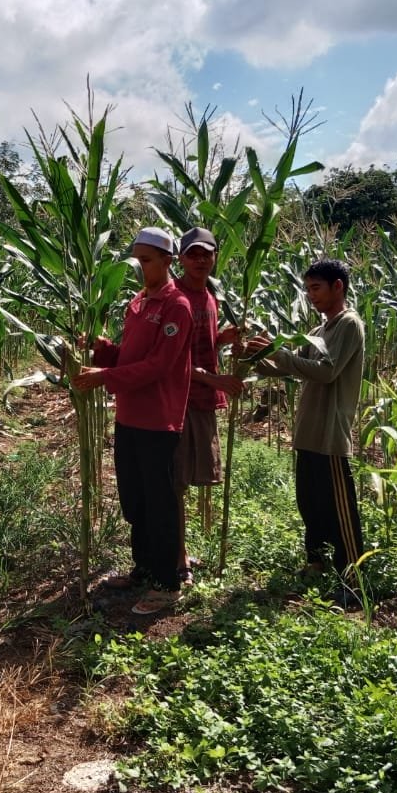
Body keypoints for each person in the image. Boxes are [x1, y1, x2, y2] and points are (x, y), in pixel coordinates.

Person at [73, 227, 193, 615]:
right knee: (135, 498)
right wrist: (103, 350)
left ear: (167, 261)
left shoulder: (177, 307)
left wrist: (103, 377)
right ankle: (143, 568)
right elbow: (131, 355)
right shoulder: (140, 301)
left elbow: (160, 365)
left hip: (159, 420)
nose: (139, 268)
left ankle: (167, 582)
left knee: (159, 501)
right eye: (137, 260)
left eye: (146, 261)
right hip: (129, 416)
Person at [245, 258, 365, 607]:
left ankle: (353, 583)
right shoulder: (317, 331)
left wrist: (279, 355)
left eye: (316, 288)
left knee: (341, 511)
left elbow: (326, 372)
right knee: (310, 505)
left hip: (330, 434)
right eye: (308, 289)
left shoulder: (348, 325)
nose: (310, 295)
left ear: (337, 287)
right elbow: (288, 368)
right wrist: (255, 357)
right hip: (308, 431)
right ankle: (317, 564)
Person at [173, 227, 243, 584]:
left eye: (207, 254)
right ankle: (177, 555)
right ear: (181, 258)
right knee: (177, 480)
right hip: (179, 401)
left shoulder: (209, 296)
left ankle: (179, 550)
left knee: (188, 476)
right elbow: (173, 357)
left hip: (200, 401)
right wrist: (216, 380)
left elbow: (200, 343)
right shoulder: (177, 297)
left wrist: (221, 339)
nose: (201, 260)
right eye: (193, 254)